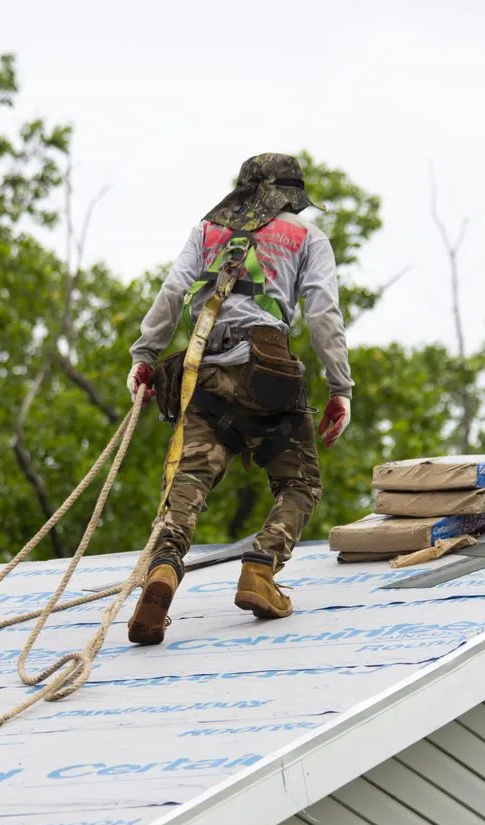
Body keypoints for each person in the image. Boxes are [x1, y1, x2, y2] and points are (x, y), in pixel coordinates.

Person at [126, 153, 353, 645]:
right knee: (299, 482)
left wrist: (145, 355)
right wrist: (340, 388)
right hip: (265, 373)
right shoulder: (307, 237)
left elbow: (171, 292)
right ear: (293, 196)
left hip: (203, 370)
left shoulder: (208, 230)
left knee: (190, 478)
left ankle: (164, 566)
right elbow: (322, 314)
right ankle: (261, 568)